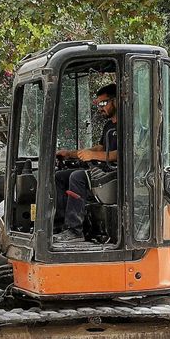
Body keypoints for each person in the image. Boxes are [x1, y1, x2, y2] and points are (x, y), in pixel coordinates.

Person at [54, 83, 119, 243]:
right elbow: (101, 147)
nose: (100, 108)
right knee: (59, 177)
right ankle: (62, 225)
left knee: (77, 177)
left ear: (116, 101)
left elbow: (120, 154)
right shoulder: (109, 125)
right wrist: (71, 154)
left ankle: (75, 231)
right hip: (104, 170)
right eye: (98, 104)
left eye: (103, 103)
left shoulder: (128, 124)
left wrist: (92, 155)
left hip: (116, 174)